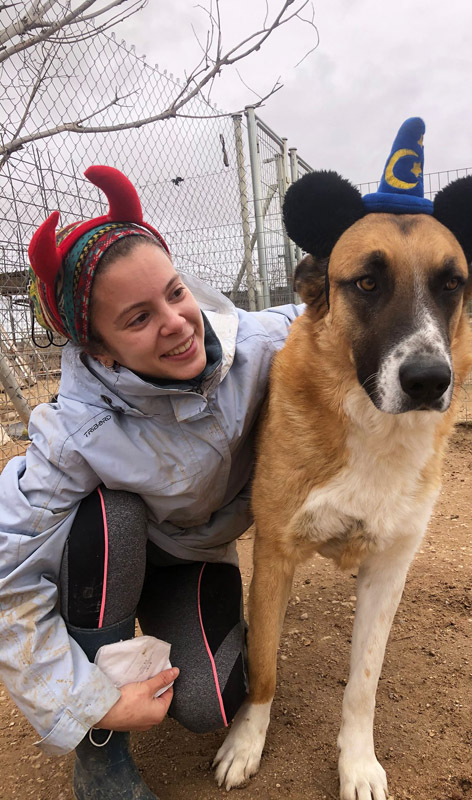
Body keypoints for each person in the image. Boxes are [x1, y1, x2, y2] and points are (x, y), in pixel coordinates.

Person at [0, 165, 301, 800]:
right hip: (107, 561)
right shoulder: (75, 432)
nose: (177, 322)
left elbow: (340, 316)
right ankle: (101, 758)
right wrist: (89, 703)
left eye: (175, 292)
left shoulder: (260, 346)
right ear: (100, 350)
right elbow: (9, 574)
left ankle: (176, 630)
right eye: (138, 318)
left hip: (191, 554)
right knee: (112, 515)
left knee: (211, 702)